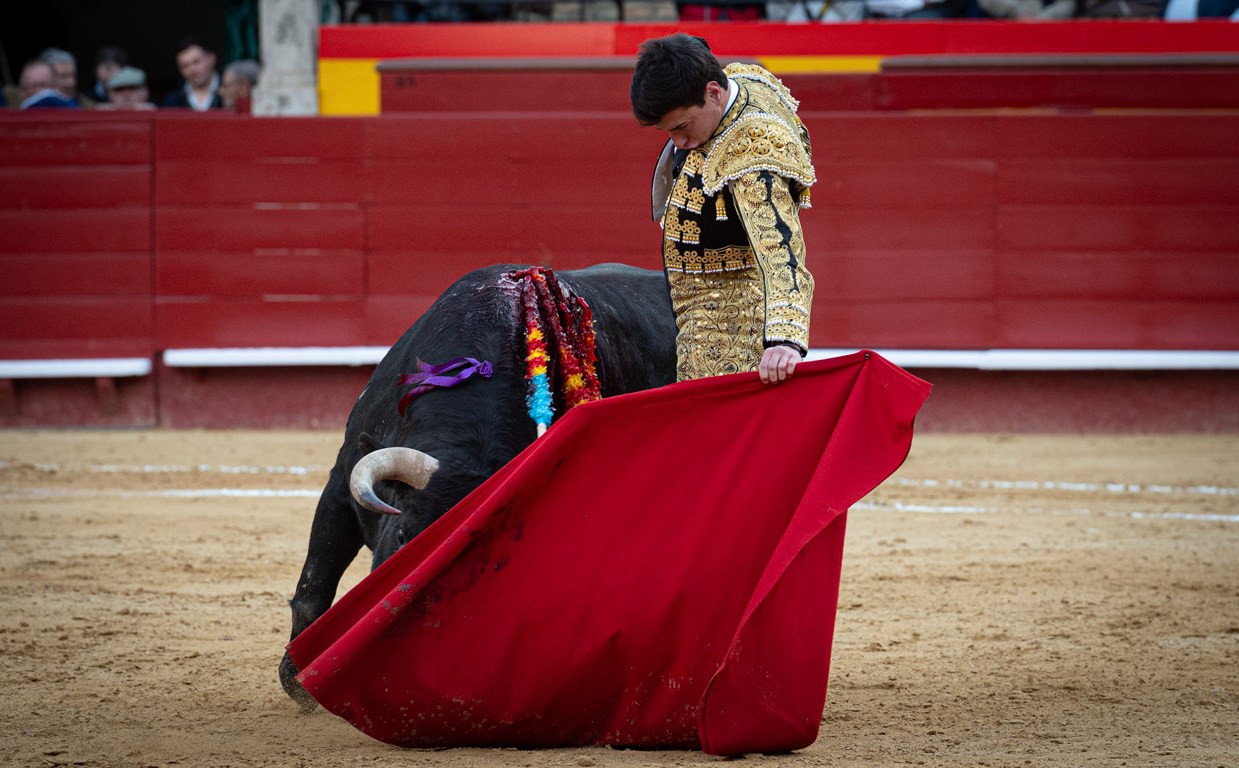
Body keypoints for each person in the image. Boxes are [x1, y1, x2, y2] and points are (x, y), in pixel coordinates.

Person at [630, 34, 815, 386]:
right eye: (667, 131)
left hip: (735, 329)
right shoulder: (740, 81)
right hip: (707, 315)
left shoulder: (753, 148)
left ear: (714, 93)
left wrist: (784, 338)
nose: (678, 142)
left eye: (682, 127)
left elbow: (779, 245)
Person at [163, 37, 223, 110]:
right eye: (185, 66)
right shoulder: (173, 101)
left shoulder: (230, 92)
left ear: (212, 59)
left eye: (196, 62)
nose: (192, 70)